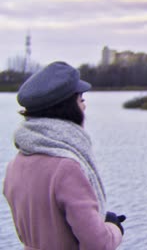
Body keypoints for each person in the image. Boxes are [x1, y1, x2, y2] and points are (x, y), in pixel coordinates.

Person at [3, 61, 126, 250]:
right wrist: (113, 227)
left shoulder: (15, 165)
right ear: (68, 107)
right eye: (81, 100)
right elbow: (98, 244)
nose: (84, 107)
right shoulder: (66, 168)